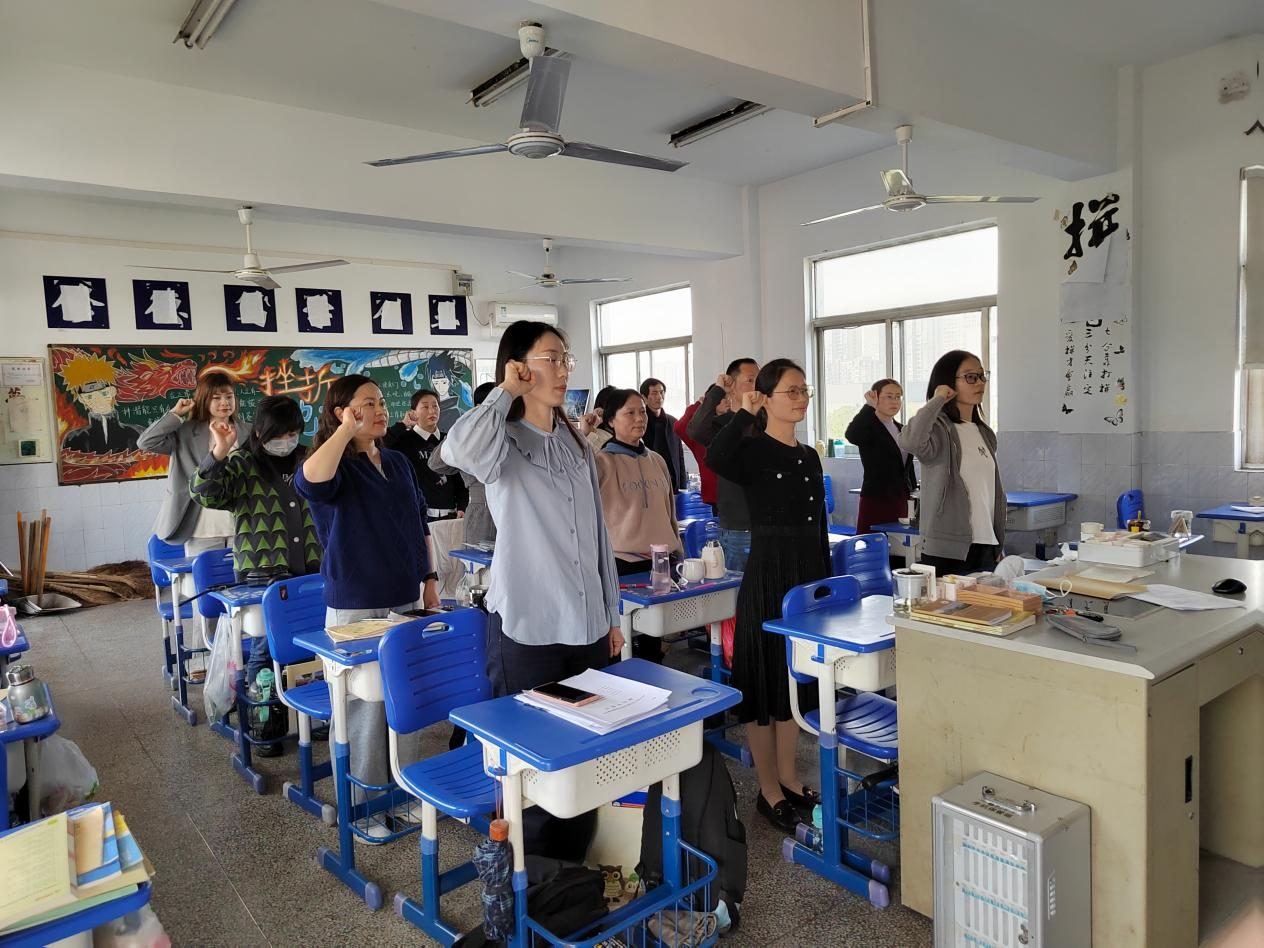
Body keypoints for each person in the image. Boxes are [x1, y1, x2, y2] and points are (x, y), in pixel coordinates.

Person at [443, 321, 622, 861]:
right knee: (531, 767)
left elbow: (597, 536)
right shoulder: (500, 441)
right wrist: (505, 390)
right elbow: (457, 448)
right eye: (551, 358)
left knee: (583, 756)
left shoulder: (574, 442)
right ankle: (531, 882)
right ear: (519, 366)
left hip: (587, 627)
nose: (563, 369)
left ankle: (574, 877)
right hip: (529, 629)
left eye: (566, 358)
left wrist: (612, 614)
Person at [295, 374, 441, 837]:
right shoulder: (334, 464)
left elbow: (418, 523)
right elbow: (309, 481)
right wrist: (345, 431)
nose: (379, 410)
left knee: (406, 702)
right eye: (367, 404)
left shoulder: (397, 461)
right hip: (356, 606)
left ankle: (405, 793)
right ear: (342, 413)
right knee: (363, 710)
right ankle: (364, 807)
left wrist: (430, 580)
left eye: (380, 402)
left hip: (406, 597)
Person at [706, 359, 826, 834]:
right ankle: (768, 790)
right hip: (768, 574)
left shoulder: (809, 456)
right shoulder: (752, 449)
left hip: (805, 577)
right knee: (764, 682)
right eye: (791, 391)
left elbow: (818, 525)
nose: (801, 398)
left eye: (804, 390)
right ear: (767, 398)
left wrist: (824, 586)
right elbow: (716, 457)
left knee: (793, 682)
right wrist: (743, 409)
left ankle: (790, 778)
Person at [189, 395, 322, 753]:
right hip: (262, 575)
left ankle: (317, 716)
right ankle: (266, 726)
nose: (287, 440)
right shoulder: (242, 463)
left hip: (312, 571)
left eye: (293, 433)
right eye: (280, 434)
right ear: (260, 432)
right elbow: (204, 494)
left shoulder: (309, 458)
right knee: (265, 651)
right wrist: (219, 451)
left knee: (315, 648)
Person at [595, 389, 682, 662]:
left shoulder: (656, 460)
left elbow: (670, 511)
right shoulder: (601, 462)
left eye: (642, 412)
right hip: (621, 563)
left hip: (659, 560)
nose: (639, 418)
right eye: (630, 413)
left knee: (652, 637)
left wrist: (678, 549)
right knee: (619, 638)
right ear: (611, 420)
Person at [899, 351, 1005, 575]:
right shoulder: (939, 429)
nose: (980, 383)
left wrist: (998, 541)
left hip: (986, 544)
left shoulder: (984, 432)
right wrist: (937, 400)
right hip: (947, 549)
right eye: (970, 377)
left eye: (982, 376)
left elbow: (989, 492)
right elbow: (910, 441)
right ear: (948, 383)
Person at [138, 371, 250, 555]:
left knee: (242, 574)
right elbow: (146, 442)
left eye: (229, 396)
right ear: (204, 400)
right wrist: (175, 414)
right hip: (199, 526)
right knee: (202, 573)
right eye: (216, 398)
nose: (225, 403)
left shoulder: (247, 431)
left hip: (242, 524)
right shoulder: (186, 432)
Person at [686, 358, 760, 571]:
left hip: (768, 525)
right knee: (738, 587)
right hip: (739, 527)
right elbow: (695, 430)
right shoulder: (723, 424)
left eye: (759, 379)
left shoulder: (765, 422)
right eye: (750, 380)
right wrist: (718, 391)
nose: (757, 385)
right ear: (732, 386)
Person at [845, 379, 918, 535]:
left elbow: (907, 466)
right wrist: (869, 406)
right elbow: (852, 435)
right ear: (875, 397)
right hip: (877, 498)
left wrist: (914, 491)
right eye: (889, 396)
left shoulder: (902, 429)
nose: (895, 401)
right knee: (873, 542)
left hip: (901, 498)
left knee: (899, 544)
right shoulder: (869, 427)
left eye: (898, 397)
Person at [384, 388, 469, 523]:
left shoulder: (448, 440)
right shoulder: (403, 440)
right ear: (413, 411)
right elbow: (380, 444)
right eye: (425, 407)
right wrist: (403, 424)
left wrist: (462, 505)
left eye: (435, 406)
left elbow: (460, 476)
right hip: (417, 514)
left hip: (450, 515)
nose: (432, 411)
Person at [429, 382, 498, 547]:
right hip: (482, 511)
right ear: (479, 408)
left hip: (514, 509)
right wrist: (465, 430)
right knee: (478, 560)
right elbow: (436, 463)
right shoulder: (467, 432)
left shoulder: (516, 428)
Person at [58, 353, 142, 454]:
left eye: (103, 393)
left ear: (112, 391)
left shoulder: (136, 433)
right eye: (89, 396)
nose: (98, 400)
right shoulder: (74, 438)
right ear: (81, 399)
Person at [676, 393, 723, 508]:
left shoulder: (736, 426)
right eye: (722, 399)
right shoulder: (700, 436)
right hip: (714, 496)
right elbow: (679, 427)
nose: (727, 402)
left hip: (737, 494)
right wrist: (699, 406)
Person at [639, 378, 686, 491]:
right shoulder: (640, 424)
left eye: (661, 392)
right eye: (654, 393)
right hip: (650, 484)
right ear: (644, 398)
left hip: (673, 483)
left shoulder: (673, 422)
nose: (659, 397)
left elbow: (680, 456)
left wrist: (683, 486)